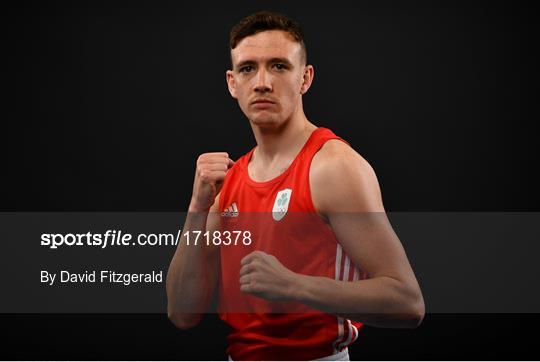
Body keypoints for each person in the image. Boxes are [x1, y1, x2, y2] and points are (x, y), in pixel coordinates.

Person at [166, 11, 425, 361]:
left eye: (278, 66)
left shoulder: (333, 167)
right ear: (232, 83)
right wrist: (196, 210)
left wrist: (294, 285)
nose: (261, 82)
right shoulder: (227, 183)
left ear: (305, 78)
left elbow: (407, 302)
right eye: (247, 69)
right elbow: (182, 313)